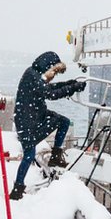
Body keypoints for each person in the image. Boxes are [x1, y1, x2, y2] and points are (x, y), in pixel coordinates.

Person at [9, 51, 85, 201]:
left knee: (29, 155)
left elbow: (51, 88)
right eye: (54, 72)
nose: (53, 76)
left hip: (30, 118)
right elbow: (51, 94)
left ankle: (18, 189)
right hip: (30, 121)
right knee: (62, 122)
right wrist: (73, 87)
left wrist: (70, 83)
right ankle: (55, 157)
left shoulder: (33, 74)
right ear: (48, 67)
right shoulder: (33, 76)